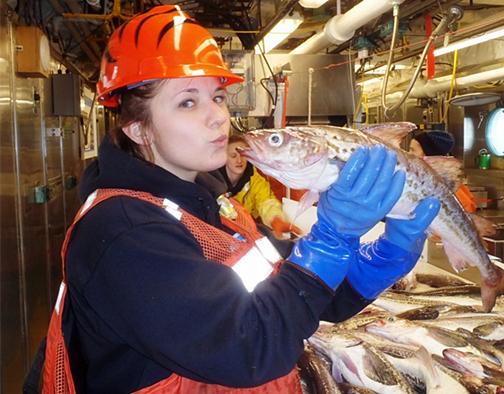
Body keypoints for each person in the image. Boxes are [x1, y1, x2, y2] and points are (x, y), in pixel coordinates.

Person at [38, 5, 440, 393]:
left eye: (216, 97)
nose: (217, 116)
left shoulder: (211, 203)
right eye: (187, 102)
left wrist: (384, 253)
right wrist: (332, 237)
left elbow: (299, 297)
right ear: (137, 129)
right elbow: (249, 344)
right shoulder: (123, 232)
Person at [218, 134, 301, 238]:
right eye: (233, 156)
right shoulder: (213, 183)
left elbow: (266, 202)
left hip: (246, 234)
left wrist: (276, 221)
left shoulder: (255, 179)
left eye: (243, 155)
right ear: (224, 158)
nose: (239, 160)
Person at [409, 130, 477, 213]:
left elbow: (467, 207)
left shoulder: (447, 180)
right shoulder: (422, 177)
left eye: (412, 150)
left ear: (427, 155)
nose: (409, 154)